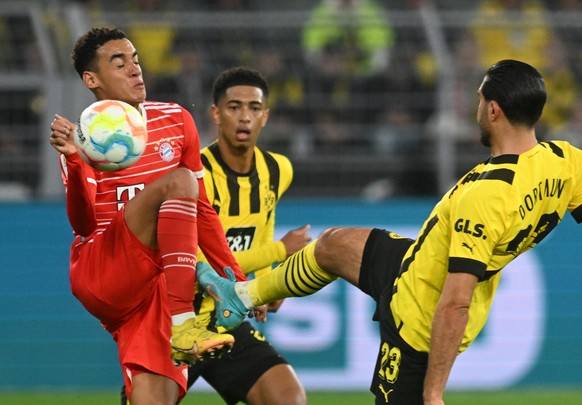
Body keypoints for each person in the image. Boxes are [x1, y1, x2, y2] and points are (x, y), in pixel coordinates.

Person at [196, 60, 582, 404]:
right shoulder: (563, 160)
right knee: (332, 245)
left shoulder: (488, 196)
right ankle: (243, 295)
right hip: (416, 259)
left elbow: (456, 303)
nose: (476, 108)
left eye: (480, 100)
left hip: (418, 315)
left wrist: (433, 392)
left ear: (493, 110)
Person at [48, 26, 252, 405]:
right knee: (176, 181)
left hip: (154, 283)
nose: (134, 69)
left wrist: (235, 278)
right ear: (91, 79)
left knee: (154, 396)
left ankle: (178, 324)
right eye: (119, 62)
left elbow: (202, 210)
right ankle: (182, 324)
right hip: (103, 268)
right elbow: (84, 224)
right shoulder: (86, 137)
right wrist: (75, 162)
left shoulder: (176, 120)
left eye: (136, 60)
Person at [120, 66, 310, 404]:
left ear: (265, 117)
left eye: (254, 108)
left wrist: (264, 285)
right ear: (216, 114)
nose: (245, 118)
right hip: (174, 320)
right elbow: (200, 262)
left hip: (224, 320)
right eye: (234, 107)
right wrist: (280, 252)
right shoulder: (194, 175)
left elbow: (263, 222)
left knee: (287, 398)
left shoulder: (279, 168)